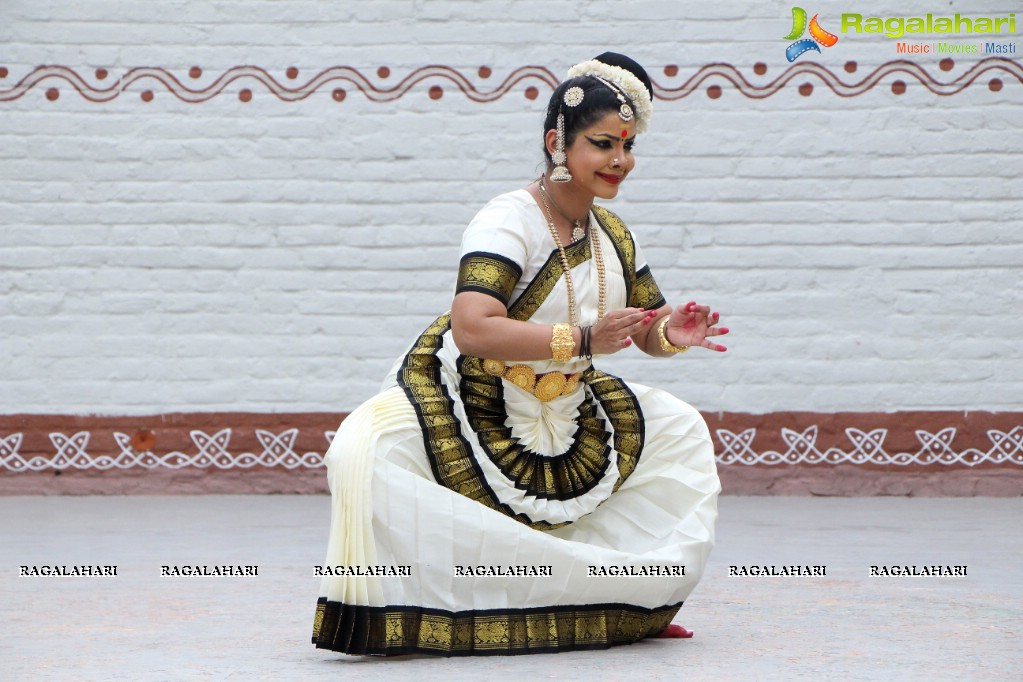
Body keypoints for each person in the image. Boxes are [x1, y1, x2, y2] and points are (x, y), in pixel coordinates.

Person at [311, 52, 728, 657]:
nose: (620, 161)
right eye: (603, 144)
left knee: (682, 431)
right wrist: (583, 341)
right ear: (558, 142)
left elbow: (639, 326)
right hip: (473, 393)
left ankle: (624, 603)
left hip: (568, 403)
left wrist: (670, 334)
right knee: (362, 448)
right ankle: (411, 609)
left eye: (628, 146)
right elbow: (474, 326)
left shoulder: (612, 232)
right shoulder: (509, 219)